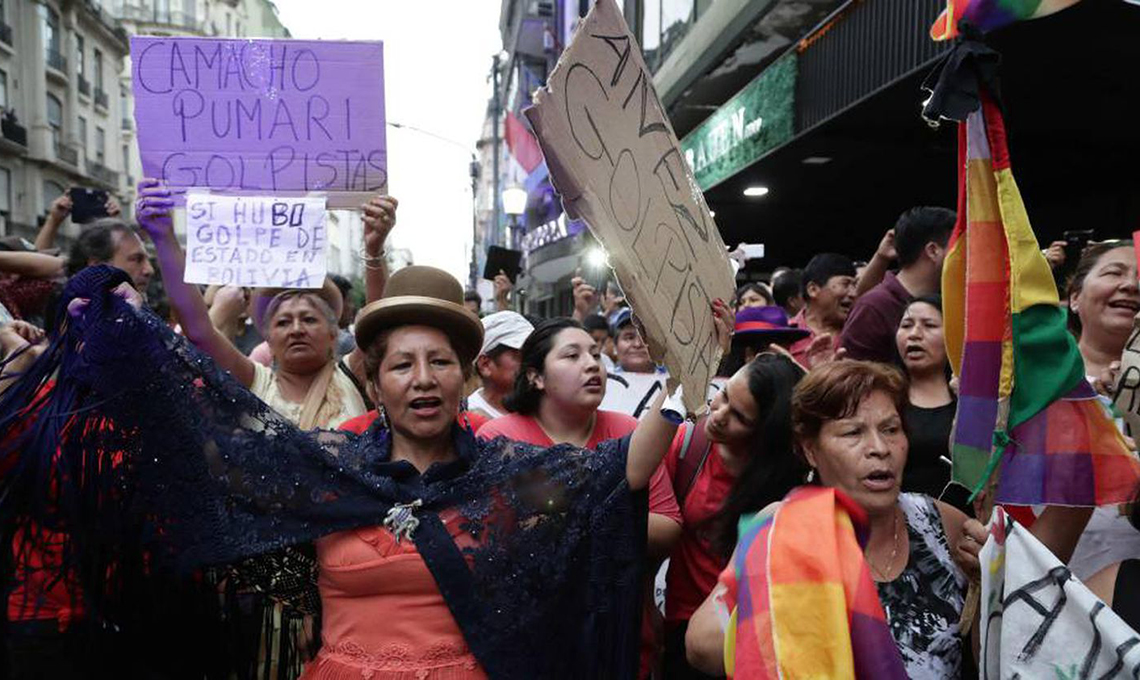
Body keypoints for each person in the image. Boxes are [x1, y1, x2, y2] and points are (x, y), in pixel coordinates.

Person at [0, 262, 694, 679]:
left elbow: (623, 470)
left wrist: (691, 372)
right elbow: (202, 451)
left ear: (466, 377)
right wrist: (133, 341)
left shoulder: (510, 471)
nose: (422, 380)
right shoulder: (328, 463)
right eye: (402, 364)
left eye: (440, 362)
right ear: (375, 378)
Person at [477, 311, 732, 680]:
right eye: (571, 356)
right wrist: (616, 514)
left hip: (625, 638)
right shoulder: (499, 440)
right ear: (535, 376)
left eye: (595, 354)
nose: (591, 365)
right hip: (535, 645)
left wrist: (699, 357)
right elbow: (506, 539)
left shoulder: (628, 431)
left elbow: (666, 527)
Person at [685, 360, 972, 679]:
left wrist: (980, 579)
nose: (879, 448)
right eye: (853, 432)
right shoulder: (782, 528)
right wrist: (795, 600)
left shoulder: (940, 524)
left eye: (891, 429)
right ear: (810, 450)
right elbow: (703, 646)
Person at [134, 178, 389, 430]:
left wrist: (375, 249)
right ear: (267, 338)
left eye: (309, 319)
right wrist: (163, 237)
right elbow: (199, 329)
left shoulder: (350, 376)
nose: (296, 329)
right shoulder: (255, 381)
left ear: (334, 334)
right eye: (283, 322)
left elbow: (379, 325)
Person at [661, 354, 808, 680]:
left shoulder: (792, 479)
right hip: (683, 631)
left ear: (766, 432)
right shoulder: (689, 447)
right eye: (724, 395)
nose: (718, 414)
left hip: (758, 639)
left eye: (740, 416)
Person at [1064, 241, 1140, 579]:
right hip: (1044, 580)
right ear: (1075, 298)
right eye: (1114, 273)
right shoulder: (1029, 384)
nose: (1131, 284)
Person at [841, 207, 956, 364]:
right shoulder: (873, 308)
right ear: (933, 251)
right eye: (959, 247)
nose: (967, 255)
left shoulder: (949, 301)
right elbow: (854, 381)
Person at [787, 253, 856, 369]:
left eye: (854, 285)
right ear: (813, 289)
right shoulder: (785, 334)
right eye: (845, 284)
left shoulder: (859, 333)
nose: (853, 293)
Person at [467, 311, 534, 420]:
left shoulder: (542, 413)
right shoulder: (466, 423)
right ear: (485, 365)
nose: (531, 362)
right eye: (520, 355)